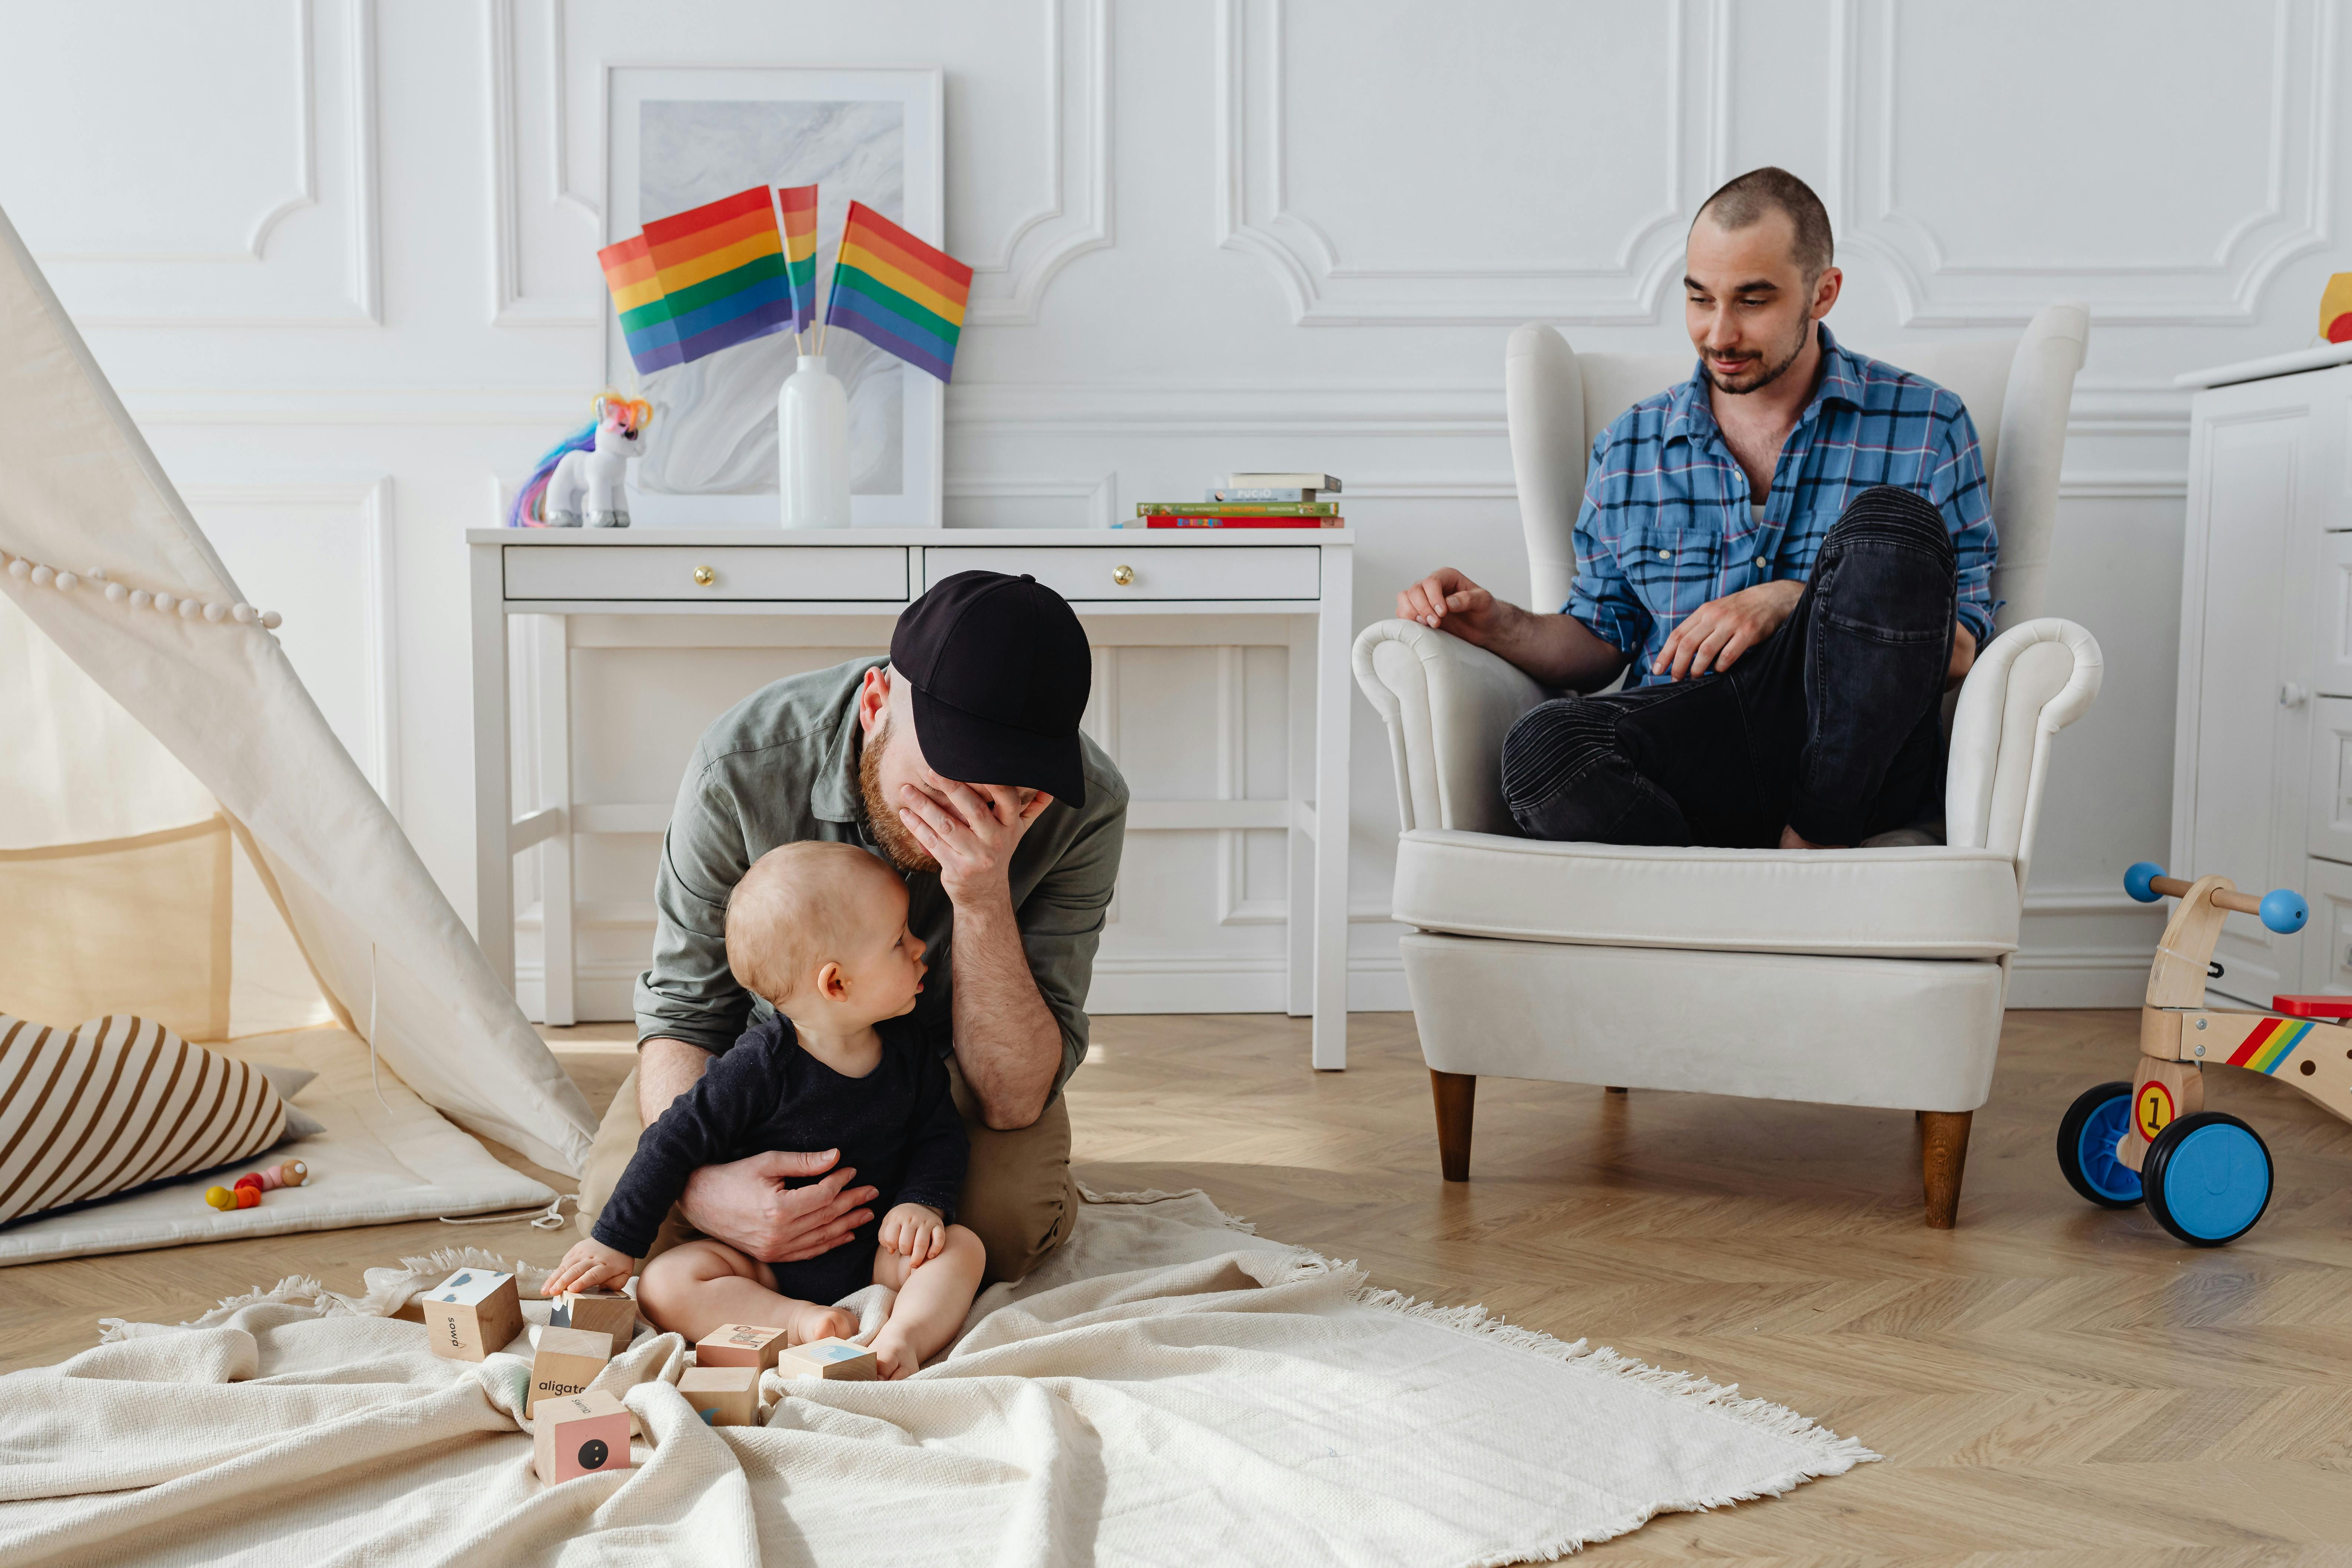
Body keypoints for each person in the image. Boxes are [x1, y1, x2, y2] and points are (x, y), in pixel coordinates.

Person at [1397, 166, 1994, 850]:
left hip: (1857, 758)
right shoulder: (1632, 444)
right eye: (1699, 298)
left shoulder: (1927, 423)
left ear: (1822, 293)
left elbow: (1955, 654)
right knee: (1544, 751)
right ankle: (1707, 878)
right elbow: (1599, 640)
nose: (1719, 333)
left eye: (1753, 300)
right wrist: (1493, 620)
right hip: (1693, 737)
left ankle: (1812, 842)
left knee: (1889, 524)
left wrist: (1793, 599)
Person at [576, 570, 1128, 1287]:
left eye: (1011, 796)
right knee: (626, 1228)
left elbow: (1013, 1096)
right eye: (940, 788)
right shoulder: (741, 765)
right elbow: (688, 1010)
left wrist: (983, 898)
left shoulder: (1084, 805)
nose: (965, 823)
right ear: (876, 706)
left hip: (944, 1072)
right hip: (767, 1062)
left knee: (1002, 1229)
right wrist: (705, 1186)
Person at [549, 843, 984, 1381]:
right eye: (900, 941)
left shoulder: (909, 1050)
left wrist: (923, 1203)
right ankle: (801, 1324)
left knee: (962, 1248)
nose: (922, 948)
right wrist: (614, 1241)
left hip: (879, 1253)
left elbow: (939, 1134)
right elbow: (670, 1141)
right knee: (665, 1283)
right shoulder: (755, 1067)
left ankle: (903, 1338)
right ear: (836, 983)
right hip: (763, 1270)